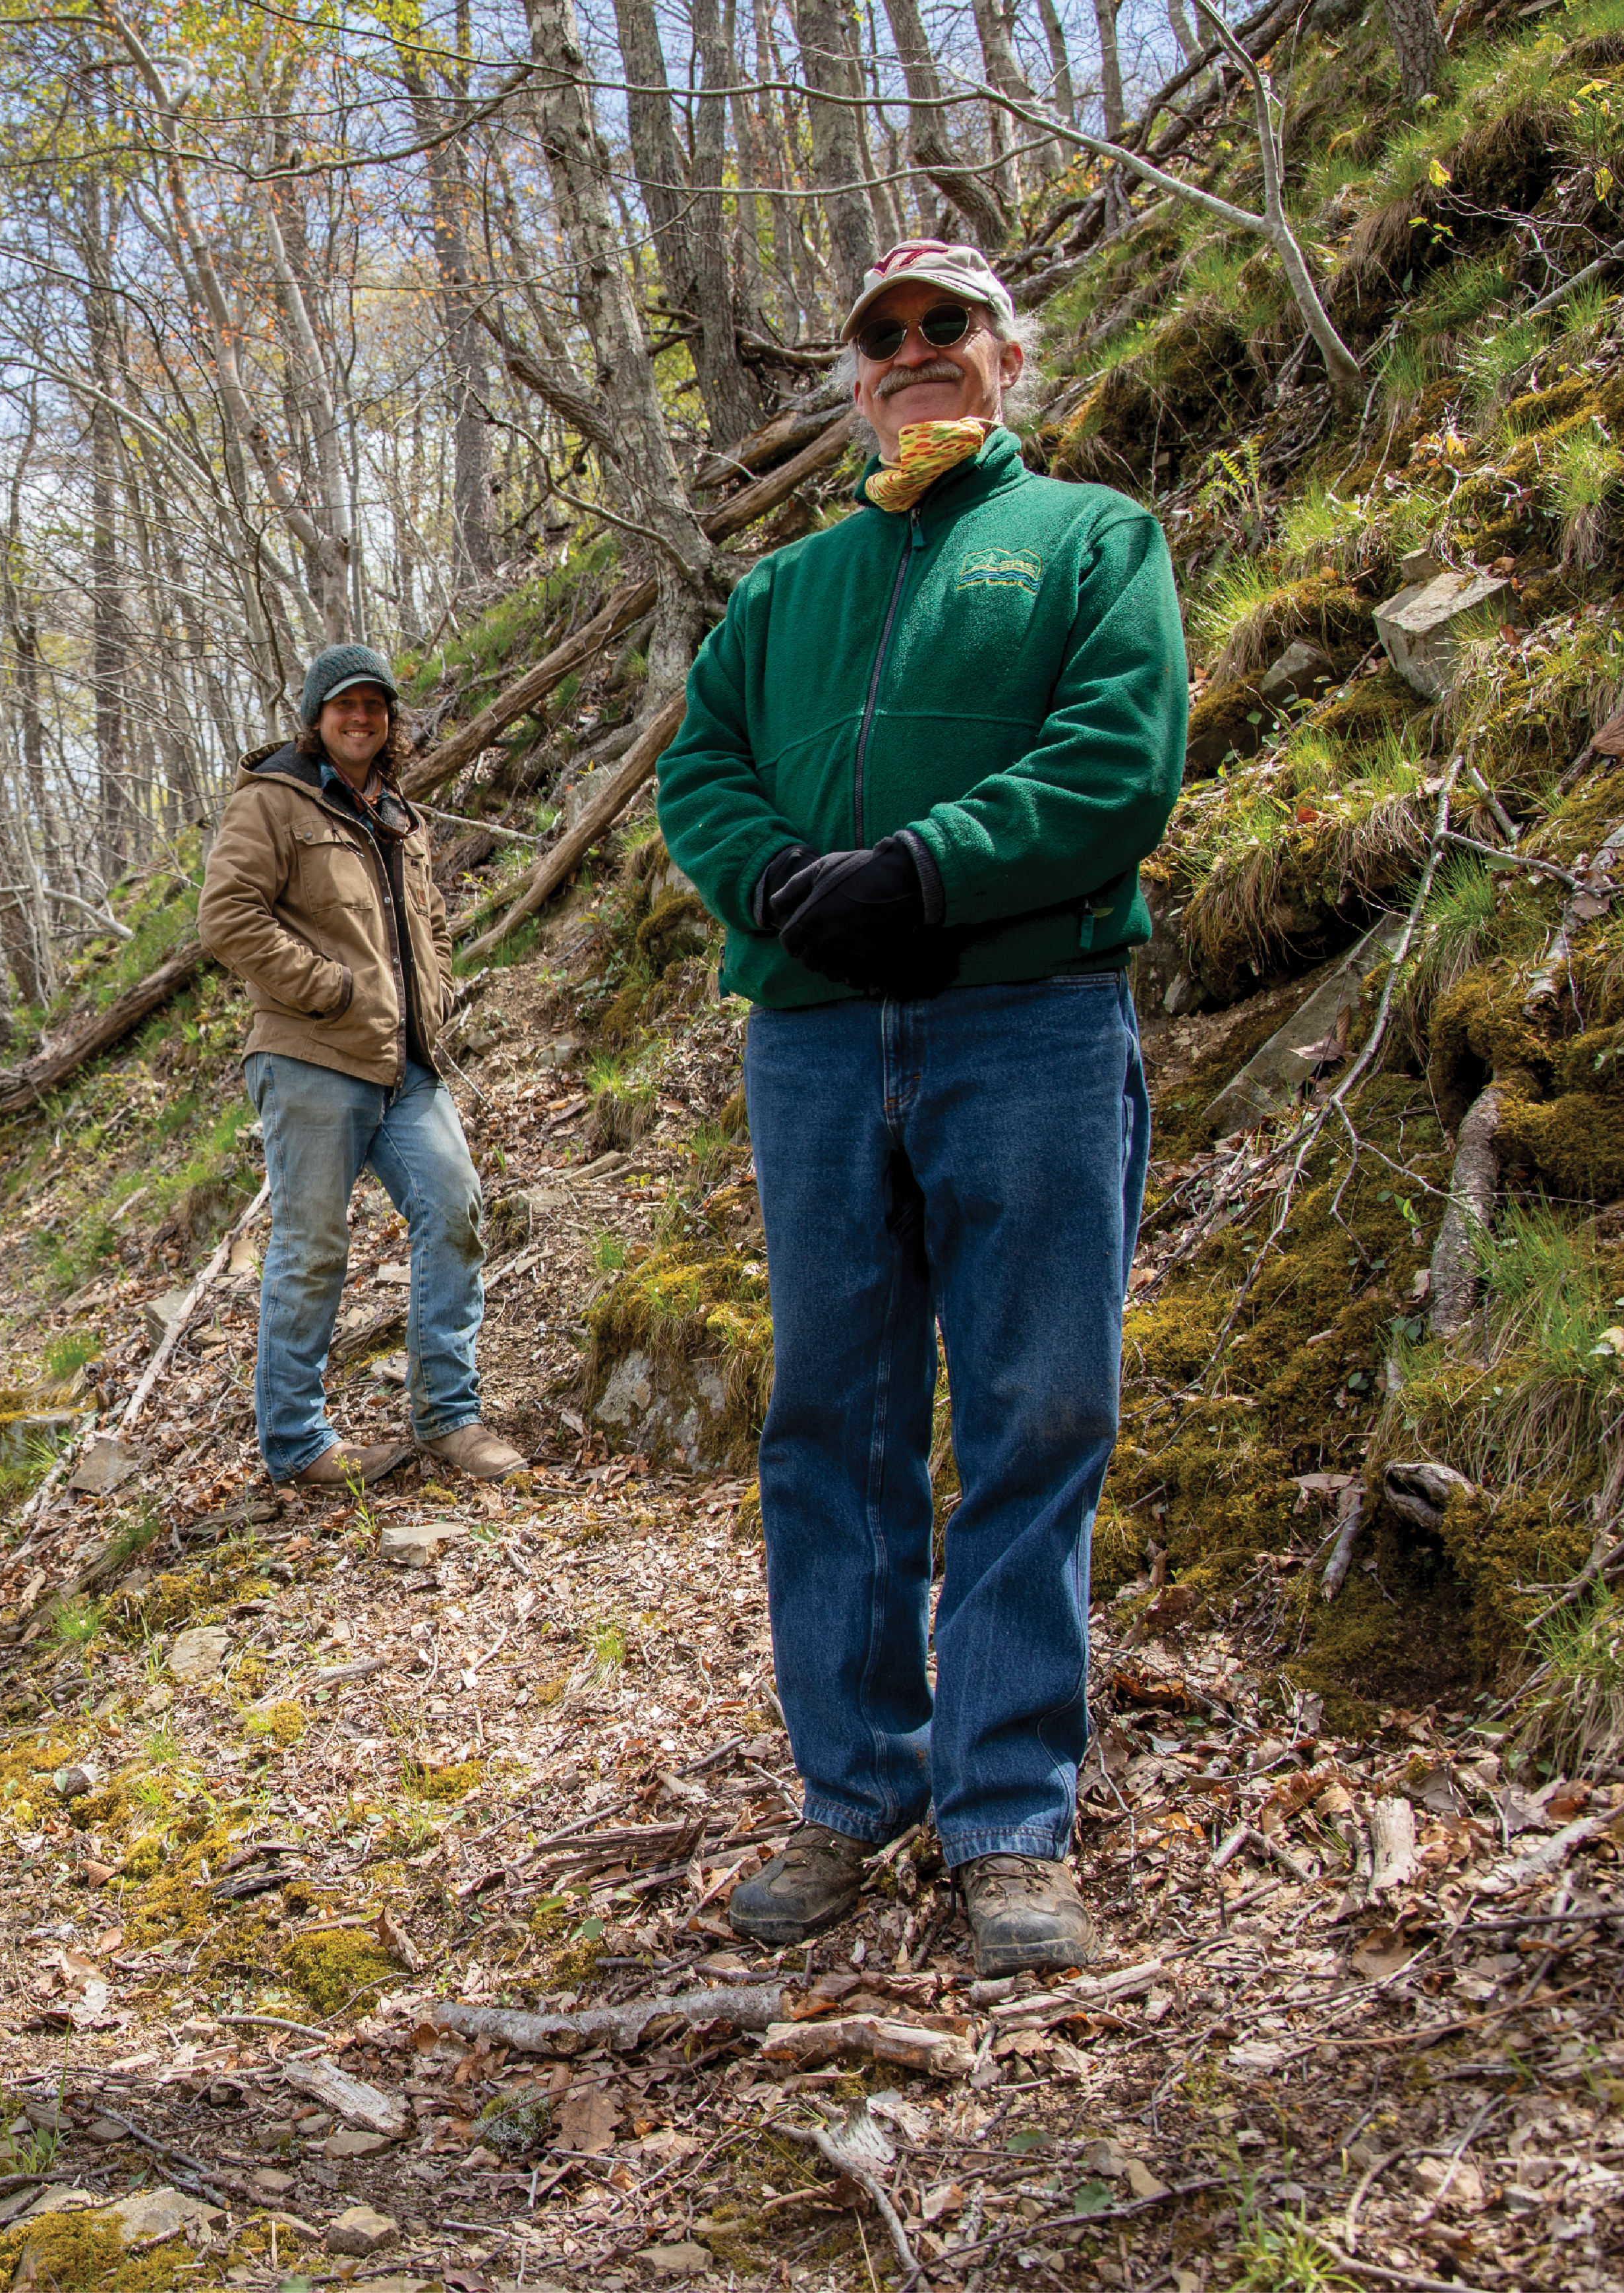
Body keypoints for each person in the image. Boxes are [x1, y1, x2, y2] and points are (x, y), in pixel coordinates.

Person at [653, 239, 1188, 1977]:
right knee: (832, 1416)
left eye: (942, 326)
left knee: (1038, 1404)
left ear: (1005, 354)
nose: (911, 354)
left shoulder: (1092, 541)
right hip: (814, 1037)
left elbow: (1121, 760)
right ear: (854, 380)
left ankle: (1011, 1814)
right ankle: (851, 1787)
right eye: (881, 339)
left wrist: (927, 868)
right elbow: (699, 771)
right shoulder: (783, 594)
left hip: (1030, 1019)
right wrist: (786, 882)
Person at [196, 642, 527, 1491]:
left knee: (455, 1209)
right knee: (311, 1249)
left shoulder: (398, 816)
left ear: (389, 721)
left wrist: (438, 994)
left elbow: (434, 924)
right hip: (311, 1053)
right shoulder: (272, 801)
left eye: (374, 705)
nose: (360, 718)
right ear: (315, 717)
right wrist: (332, 991)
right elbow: (227, 916)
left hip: (405, 1063)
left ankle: (448, 1417)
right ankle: (298, 1444)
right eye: (344, 705)